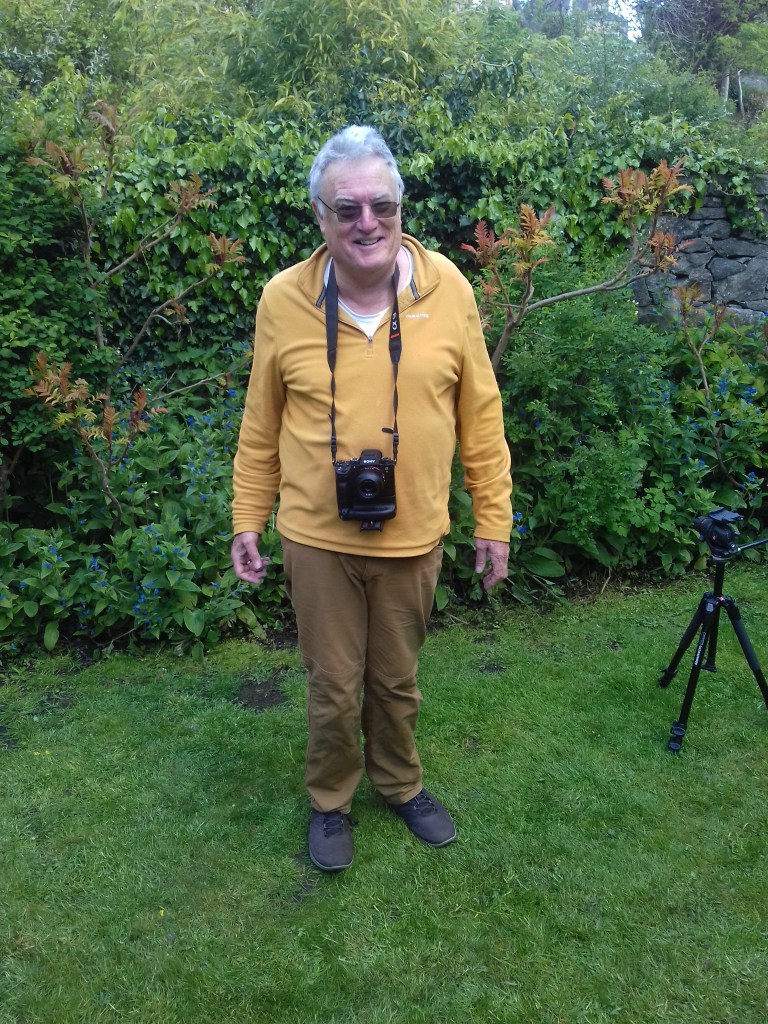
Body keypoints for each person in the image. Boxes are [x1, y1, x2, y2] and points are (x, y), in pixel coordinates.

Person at [231, 125, 512, 872]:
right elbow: (261, 423)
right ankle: (330, 800)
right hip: (316, 537)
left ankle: (401, 783)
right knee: (332, 686)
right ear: (319, 216)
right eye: (347, 207)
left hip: (413, 533)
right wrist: (247, 517)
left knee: (395, 681)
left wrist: (494, 519)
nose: (367, 223)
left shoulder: (448, 289)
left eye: (382, 206)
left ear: (400, 208)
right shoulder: (283, 299)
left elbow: (481, 416)